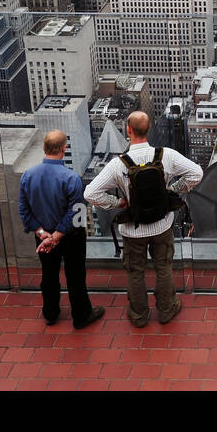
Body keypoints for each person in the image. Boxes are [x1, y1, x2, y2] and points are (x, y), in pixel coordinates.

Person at [84, 111, 203, 328]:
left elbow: (90, 194)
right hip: (162, 224)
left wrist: (117, 203)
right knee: (164, 267)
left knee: (135, 272)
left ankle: (139, 315)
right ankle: (166, 309)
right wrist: (172, 189)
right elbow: (196, 173)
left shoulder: (117, 164)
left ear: (128, 130)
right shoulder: (165, 155)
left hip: (133, 229)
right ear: (148, 129)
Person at [17, 130, 104, 329]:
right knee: (75, 275)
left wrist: (42, 233)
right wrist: (57, 235)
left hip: (43, 235)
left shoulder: (28, 176)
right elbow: (77, 213)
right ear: (64, 149)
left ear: (44, 148)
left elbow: (23, 209)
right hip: (70, 236)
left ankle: (50, 312)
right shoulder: (71, 178)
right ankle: (81, 315)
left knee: (48, 273)